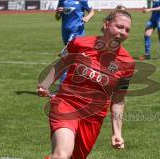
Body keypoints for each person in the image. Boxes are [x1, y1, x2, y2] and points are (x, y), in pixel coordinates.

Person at [38, 8, 135, 159]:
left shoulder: (127, 63)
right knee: (62, 155)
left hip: (93, 117)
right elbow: (61, 64)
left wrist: (117, 133)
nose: (123, 32)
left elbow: (118, 98)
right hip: (67, 104)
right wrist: (45, 84)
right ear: (106, 24)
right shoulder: (79, 43)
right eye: (119, 26)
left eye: (127, 30)